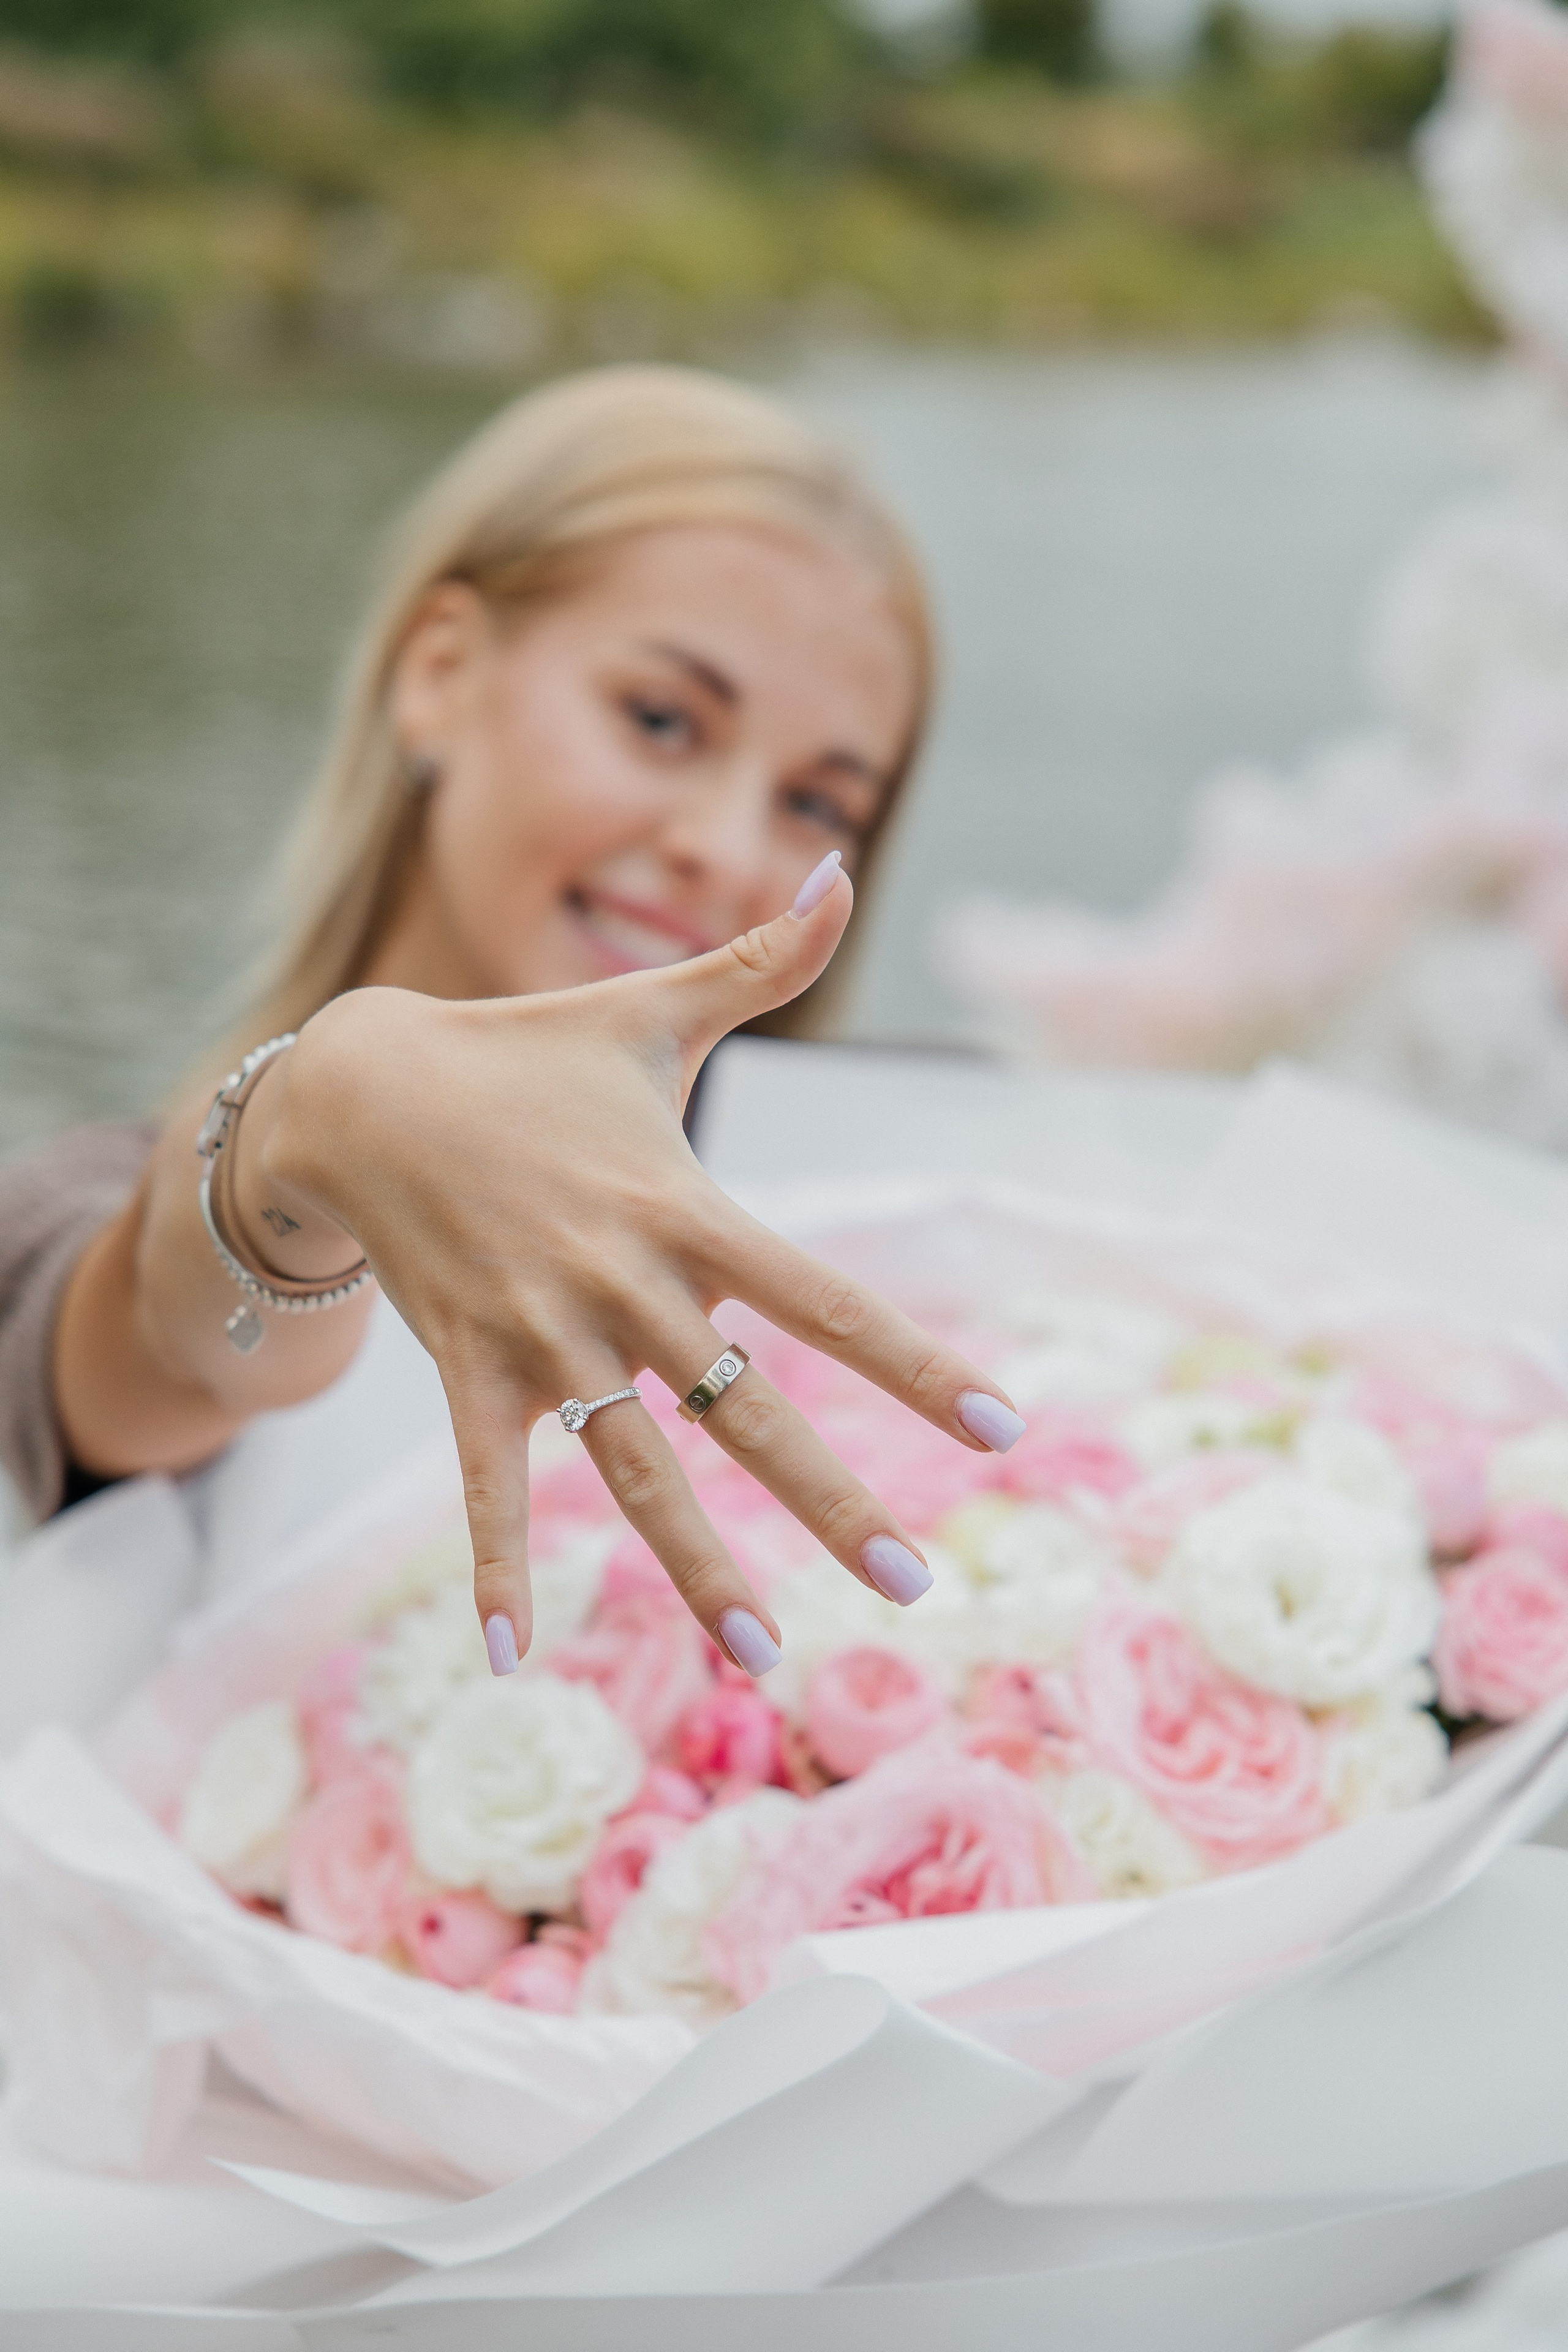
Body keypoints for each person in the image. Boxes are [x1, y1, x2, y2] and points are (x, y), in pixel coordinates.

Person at [0, 365, 1025, 1685]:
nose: (723, 848)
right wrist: (324, 1112)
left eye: (818, 804)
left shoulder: (941, 1168)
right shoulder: (82, 1205)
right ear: (439, 672)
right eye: (660, 722)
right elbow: (164, 1342)